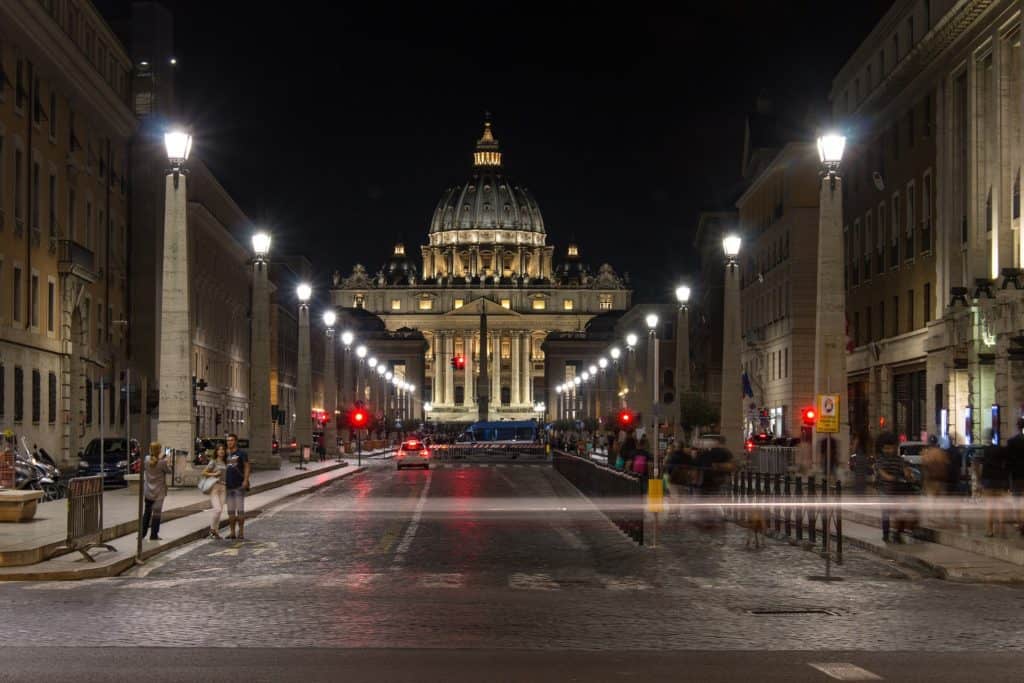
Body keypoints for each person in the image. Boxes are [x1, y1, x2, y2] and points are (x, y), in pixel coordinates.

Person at [874, 431, 915, 543]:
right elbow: (882, 472)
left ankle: (897, 532)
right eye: (886, 448)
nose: (888, 451)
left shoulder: (899, 460)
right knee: (886, 512)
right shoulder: (880, 459)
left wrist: (908, 474)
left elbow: (905, 469)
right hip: (884, 489)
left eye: (890, 448)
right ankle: (886, 533)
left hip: (897, 489)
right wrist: (890, 477)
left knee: (900, 511)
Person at [142, 442, 172, 541]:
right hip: (159, 492)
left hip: (148, 491)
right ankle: (154, 535)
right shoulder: (162, 462)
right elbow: (169, 471)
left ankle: (142, 534)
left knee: (146, 513)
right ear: (159, 450)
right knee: (156, 514)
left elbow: (150, 465)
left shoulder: (146, 459)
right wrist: (168, 461)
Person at [980, 442, 1010, 537]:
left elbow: (982, 470)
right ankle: (1002, 531)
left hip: (988, 483)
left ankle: (990, 531)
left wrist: (981, 482)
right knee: (1001, 508)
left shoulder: (986, 456)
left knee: (989, 508)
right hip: (1000, 483)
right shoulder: (1002, 462)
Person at [225, 433, 251, 540]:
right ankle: (232, 532)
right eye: (228, 440)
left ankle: (241, 532)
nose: (229, 442)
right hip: (228, 486)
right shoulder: (225, 454)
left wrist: (245, 480)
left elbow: (247, 466)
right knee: (230, 512)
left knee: (240, 511)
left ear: (235, 441)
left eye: (231, 440)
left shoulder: (241, 453)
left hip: (239, 486)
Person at [920, 434, 950, 526]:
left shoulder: (926, 453)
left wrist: (924, 480)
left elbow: (924, 465)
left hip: (930, 480)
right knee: (941, 499)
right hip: (941, 479)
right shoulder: (941, 452)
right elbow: (946, 464)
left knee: (931, 499)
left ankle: (932, 518)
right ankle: (942, 518)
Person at [202, 443, 228, 539]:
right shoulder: (213, 461)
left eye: (222, 449)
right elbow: (204, 472)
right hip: (215, 487)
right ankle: (212, 530)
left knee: (220, 511)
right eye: (219, 449)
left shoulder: (226, 462)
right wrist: (214, 474)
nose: (221, 451)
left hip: (224, 487)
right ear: (216, 451)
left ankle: (215, 532)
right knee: (217, 509)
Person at [1008, 418, 1024, 536]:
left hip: (1017, 475)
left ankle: (1020, 524)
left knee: (1017, 500)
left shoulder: (1012, 442)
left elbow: (1009, 461)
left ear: (1017, 426)